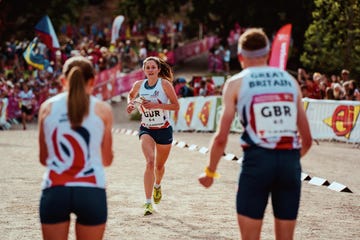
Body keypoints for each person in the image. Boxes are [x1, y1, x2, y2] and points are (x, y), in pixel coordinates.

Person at [198, 28, 313, 240]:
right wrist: (287, 161)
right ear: (268, 54)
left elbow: (221, 137)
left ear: (240, 56)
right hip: (289, 163)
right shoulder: (290, 81)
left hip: (257, 163)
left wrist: (210, 172)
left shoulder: (235, 83)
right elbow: (307, 140)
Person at [38, 56, 114, 240]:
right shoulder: (102, 110)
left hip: (55, 189)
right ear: (93, 81)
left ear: (63, 80)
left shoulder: (47, 107)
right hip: (91, 190)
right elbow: (107, 160)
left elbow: (43, 158)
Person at [126, 56, 179, 216]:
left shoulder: (164, 85)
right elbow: (131, 95)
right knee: (150, 162)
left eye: (153, 67)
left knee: (159, 167)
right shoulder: (138, 85)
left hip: (163, 129)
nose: (150, 70)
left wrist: (157, 105)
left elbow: (176, 106)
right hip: (146, 129)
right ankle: (148, 203)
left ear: (158, 69)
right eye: (147, 67)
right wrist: (130, 104)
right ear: (144, 70)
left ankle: (157, 185)